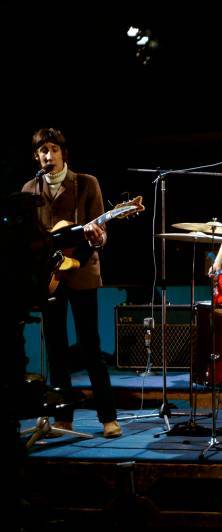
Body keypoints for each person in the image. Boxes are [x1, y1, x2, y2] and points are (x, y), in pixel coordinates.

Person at [21, 128, 121, 438]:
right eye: (42, 151)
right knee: (55, 348)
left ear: (64, 153)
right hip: (48, 279)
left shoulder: (86, 183)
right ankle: (63, 418)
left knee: (90, 347)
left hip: (80, 272)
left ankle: (108, 417)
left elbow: (99, 229)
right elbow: (28, 236)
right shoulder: (30, 188)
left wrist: (98, 236)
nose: (47, 156)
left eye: (53, 149)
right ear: (36, 156)